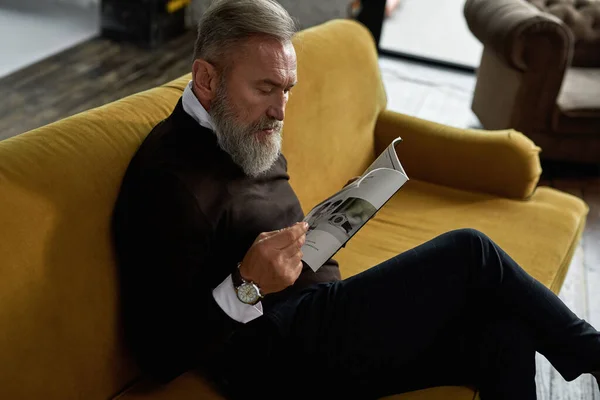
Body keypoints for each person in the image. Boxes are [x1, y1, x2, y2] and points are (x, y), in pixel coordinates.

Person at [111, 1, 600, 399]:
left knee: (503, 334)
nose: (280, 110)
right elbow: (159, 352)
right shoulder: (168, 181)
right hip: (273, 357)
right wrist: (245, 284)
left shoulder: (246, 129)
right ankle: (589, 352)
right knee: (469, 251)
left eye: (287, 89)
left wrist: (330, 224)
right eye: (265, 88)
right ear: (207, 80)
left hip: (327, 317)